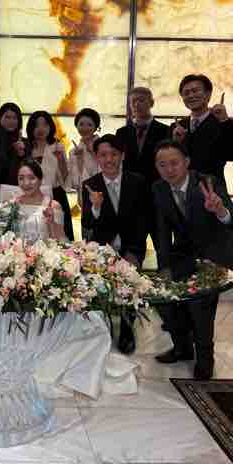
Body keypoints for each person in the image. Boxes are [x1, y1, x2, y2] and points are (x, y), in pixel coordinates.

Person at [153, 140, 233, 380]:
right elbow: (162, 232)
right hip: (183, 254)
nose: (169, 169)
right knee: (162, 298)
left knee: (200, 305)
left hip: (214, 253)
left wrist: (219, 211)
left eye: (174, 163)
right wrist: (164, 269)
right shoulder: (159, 188)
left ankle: (205, 358)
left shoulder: (208, 182)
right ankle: (182, 347)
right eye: (162, 165)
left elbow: (230, 219)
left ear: (186, 162)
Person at [81, 134, 148, 354]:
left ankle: (127, 329)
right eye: (103, 155)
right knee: (104, 288)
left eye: (114, 154)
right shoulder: (90, 184)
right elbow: (87, 223)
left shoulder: (137, 181)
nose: (109, 159)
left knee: (129, 286)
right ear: (96, 157)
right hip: (102, 247)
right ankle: (105, 327)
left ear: (122, 155)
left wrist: (136, 247)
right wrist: (96, 207)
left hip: (132, 245)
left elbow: (144, 218)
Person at [116, 87, 169, 249]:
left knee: (162, 244)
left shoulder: (165, 130)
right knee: (131, 245)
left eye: (141, 100)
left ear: (151, 103)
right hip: (131, 197)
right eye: (133, 101)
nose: (136, 104)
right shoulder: (122, 132)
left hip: (157, 195)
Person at [172, 74, 233, 188]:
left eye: (195, 91)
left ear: (208, 94)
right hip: (180, 189)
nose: (191, 95)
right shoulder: (176, 127)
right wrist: (176, 143)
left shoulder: (223, 123)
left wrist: (225, 121)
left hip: (213, 188)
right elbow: (168, 161)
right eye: (186, 93)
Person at [25, 110, 73, 240]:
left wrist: (61, 159)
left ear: (50, 127)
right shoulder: (26, 148)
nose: (41, 129)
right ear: (31, 128)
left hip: (56, 196)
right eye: (36, 125)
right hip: (33, 197)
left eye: (45, 125)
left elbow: (65, 179)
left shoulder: (57, 147)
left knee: (58, 238)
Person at [16, 159, 66, 241]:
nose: (26, 183)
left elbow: (62, 239)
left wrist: (52, 224)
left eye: (31, 178)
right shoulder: (13, 204)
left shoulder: (53, 205)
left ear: (40, 180)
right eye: (21, 178)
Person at [67, 107, 101, 196]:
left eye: (89, 124)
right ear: (76, 126)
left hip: (102, 194)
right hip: (83, 197)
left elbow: (108, 173)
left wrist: (93, 153)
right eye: (81, 124)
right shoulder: (73, 152)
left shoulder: (104, 147)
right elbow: (73, 183)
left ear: (96, 127)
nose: (85, 128)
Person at [0, 102, 27, 186]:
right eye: (7, 117)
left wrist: (21, 155)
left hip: (19, 188)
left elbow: (30, 170)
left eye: (14, 118)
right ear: (0, 118)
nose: (11, 121)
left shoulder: (25, 143)